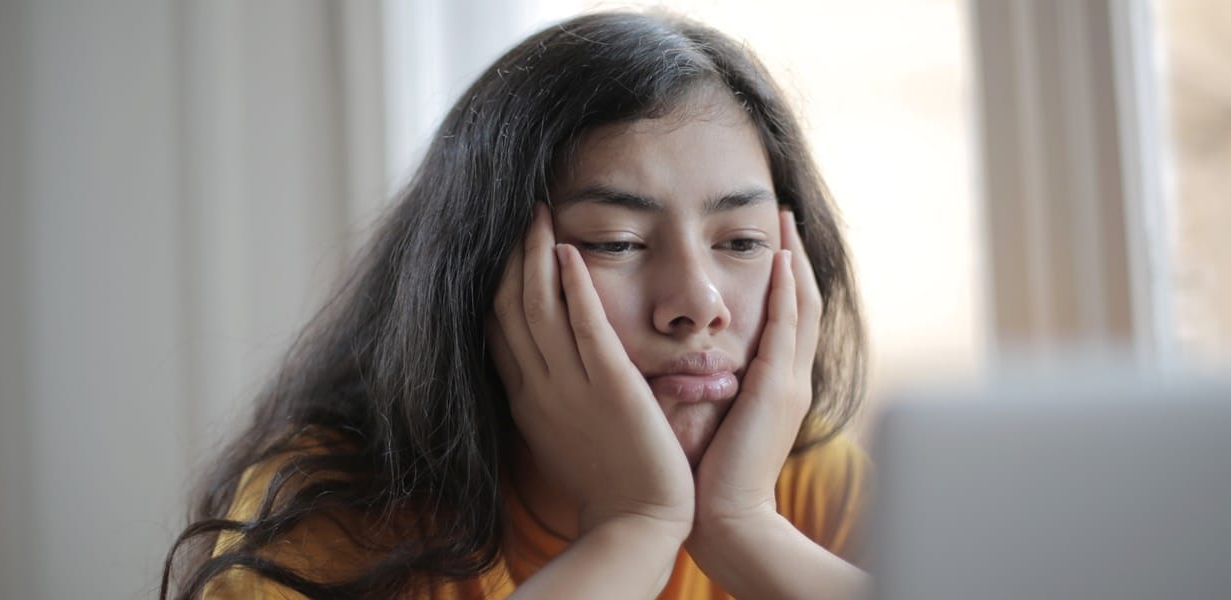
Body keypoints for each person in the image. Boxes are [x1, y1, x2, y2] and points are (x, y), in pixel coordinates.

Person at [162, 9, 870, 600]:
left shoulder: (802, 480)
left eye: (742, 242)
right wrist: (635, 526)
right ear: (485, 276)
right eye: (616, 242)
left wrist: (744, 525)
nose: (697, 304)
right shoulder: (334, 516)